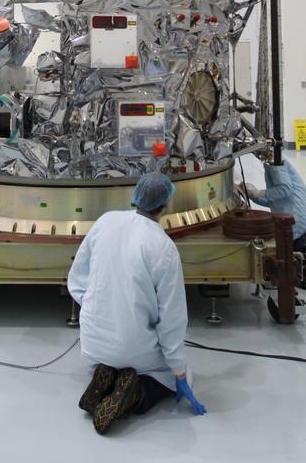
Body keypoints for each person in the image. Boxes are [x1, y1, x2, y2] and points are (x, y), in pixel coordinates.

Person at [67, 172, 207, 434]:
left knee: (113, 357)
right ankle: (137, 394)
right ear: (166, 204)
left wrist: (96, 307)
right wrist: (179, 373)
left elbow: (76, 278)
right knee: (173, 377)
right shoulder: (163, 247)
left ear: (136, 195)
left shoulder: (106, 220)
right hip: (133, 347)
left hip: (93, 342)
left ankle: (106, 377)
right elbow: (172, 318)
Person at [245, 155, 306, 262]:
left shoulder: (274, 160)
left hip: (295, 222)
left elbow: (284, 189)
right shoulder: (273, 159)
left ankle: (302, 247)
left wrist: (259, 193)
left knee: (278, 255)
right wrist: (254, 196)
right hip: (298, 218)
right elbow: (275, 200)